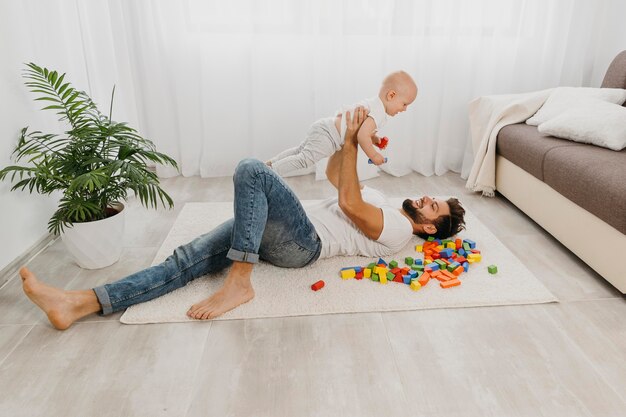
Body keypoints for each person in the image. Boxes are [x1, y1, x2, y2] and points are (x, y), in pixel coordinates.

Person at [20, 107, 465, 330]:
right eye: (433, 199)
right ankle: (80, 303)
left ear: (428, 227)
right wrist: (343, 140)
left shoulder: (400, 231)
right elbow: (337, 178)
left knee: (253, 169)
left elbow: (348, 204)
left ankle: (241, 279)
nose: (427, 200)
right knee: (186, 259)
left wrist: (352, 141)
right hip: (277, 230)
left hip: (302, 245)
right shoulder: (386, 196)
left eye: (434, 208)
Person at [266, 71, 418, 173]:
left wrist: (375, 139)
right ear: (391, 95)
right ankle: (269, 173)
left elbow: (363, 131)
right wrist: (373, 155)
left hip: (325, 126)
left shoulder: (375, 105)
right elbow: (362, 136)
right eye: (404, 104)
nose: (404, 109)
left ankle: (269, 164)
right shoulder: (378, 112)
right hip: (329, 136)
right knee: (305, 159)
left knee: (299, 151)